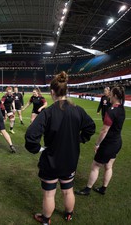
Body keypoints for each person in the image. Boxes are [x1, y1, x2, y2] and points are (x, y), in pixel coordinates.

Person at [25, 72, 96, 224]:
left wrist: (37, 149)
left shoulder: (48, 112)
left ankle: (46, 220)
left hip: (51, 160)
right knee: (67, 190)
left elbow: (31, 136)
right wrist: (78, 139)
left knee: (49, 195)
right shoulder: (78, 110)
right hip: (70, 159)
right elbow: (91, 127)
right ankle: (69, 214)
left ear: (52, 92)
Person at [76, 86, 126, 196]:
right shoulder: (122, 108)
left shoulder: (111, 111)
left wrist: (97, 144)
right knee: (109, 166)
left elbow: (104, 131)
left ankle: (87, 189)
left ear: (115, 96)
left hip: (108, 144)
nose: (110, 96)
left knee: (95, 166)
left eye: (111, 94)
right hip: (117, 142)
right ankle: (103, 188)